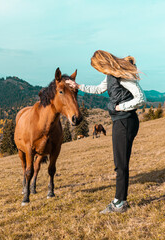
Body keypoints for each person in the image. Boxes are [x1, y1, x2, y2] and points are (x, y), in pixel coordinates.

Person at [66, 50, 146, 213]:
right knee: (120, 163)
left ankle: (119, 203)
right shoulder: (111, 75)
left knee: (121, 164)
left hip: (125, 121)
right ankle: (120, 200)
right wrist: (78, 86)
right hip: (121, 121)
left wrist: (121, 107)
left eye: (98, 68)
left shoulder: (121, 75)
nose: (99, 71)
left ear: (103, 64)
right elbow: (98, 89)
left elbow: (141, 98)